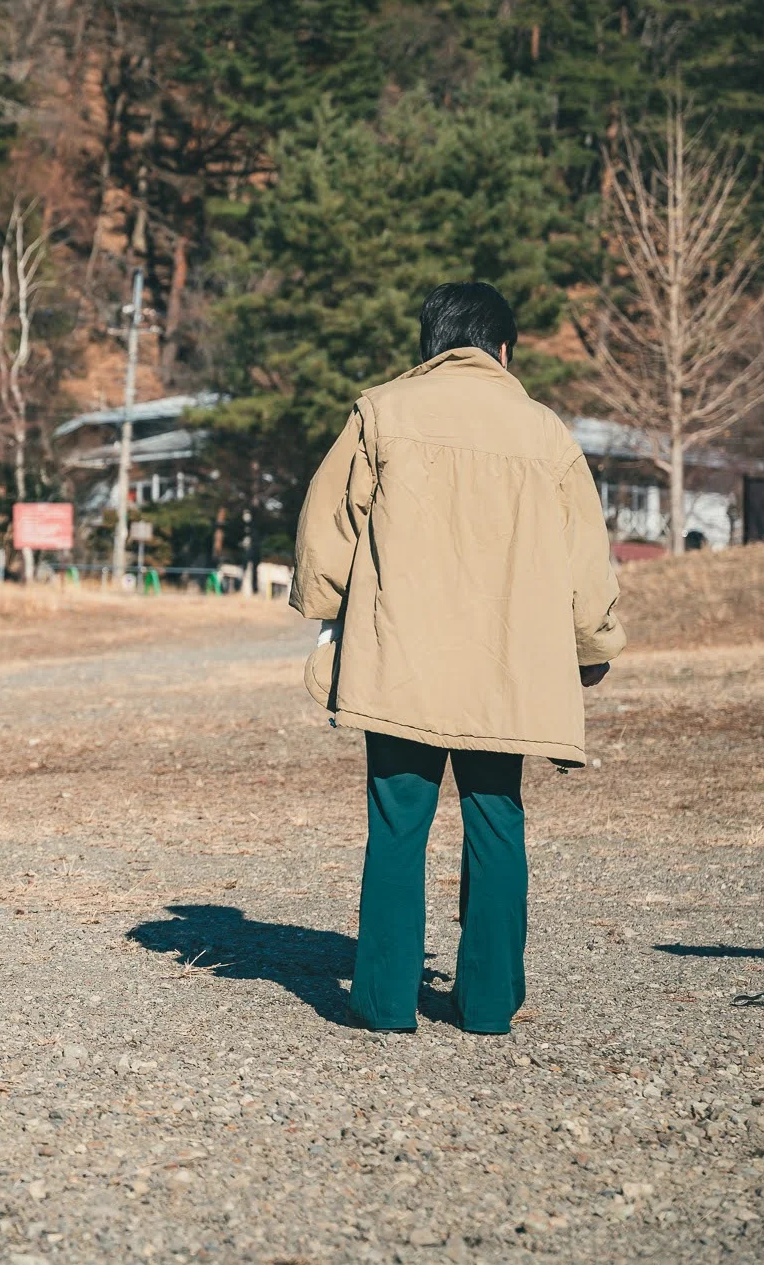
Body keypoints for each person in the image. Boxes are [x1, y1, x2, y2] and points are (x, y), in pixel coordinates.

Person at [291, 282, 625, 1036]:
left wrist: (325, 603)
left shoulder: (381, 412)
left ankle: (383, 1003)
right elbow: (585, 555)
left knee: (398, 822)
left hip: (400, 656)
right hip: (507, 665)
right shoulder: (546, 432)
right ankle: (486, 1003)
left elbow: (327, 529)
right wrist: (592, 644)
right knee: (497, 817)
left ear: (432, 345)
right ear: (502, 349)